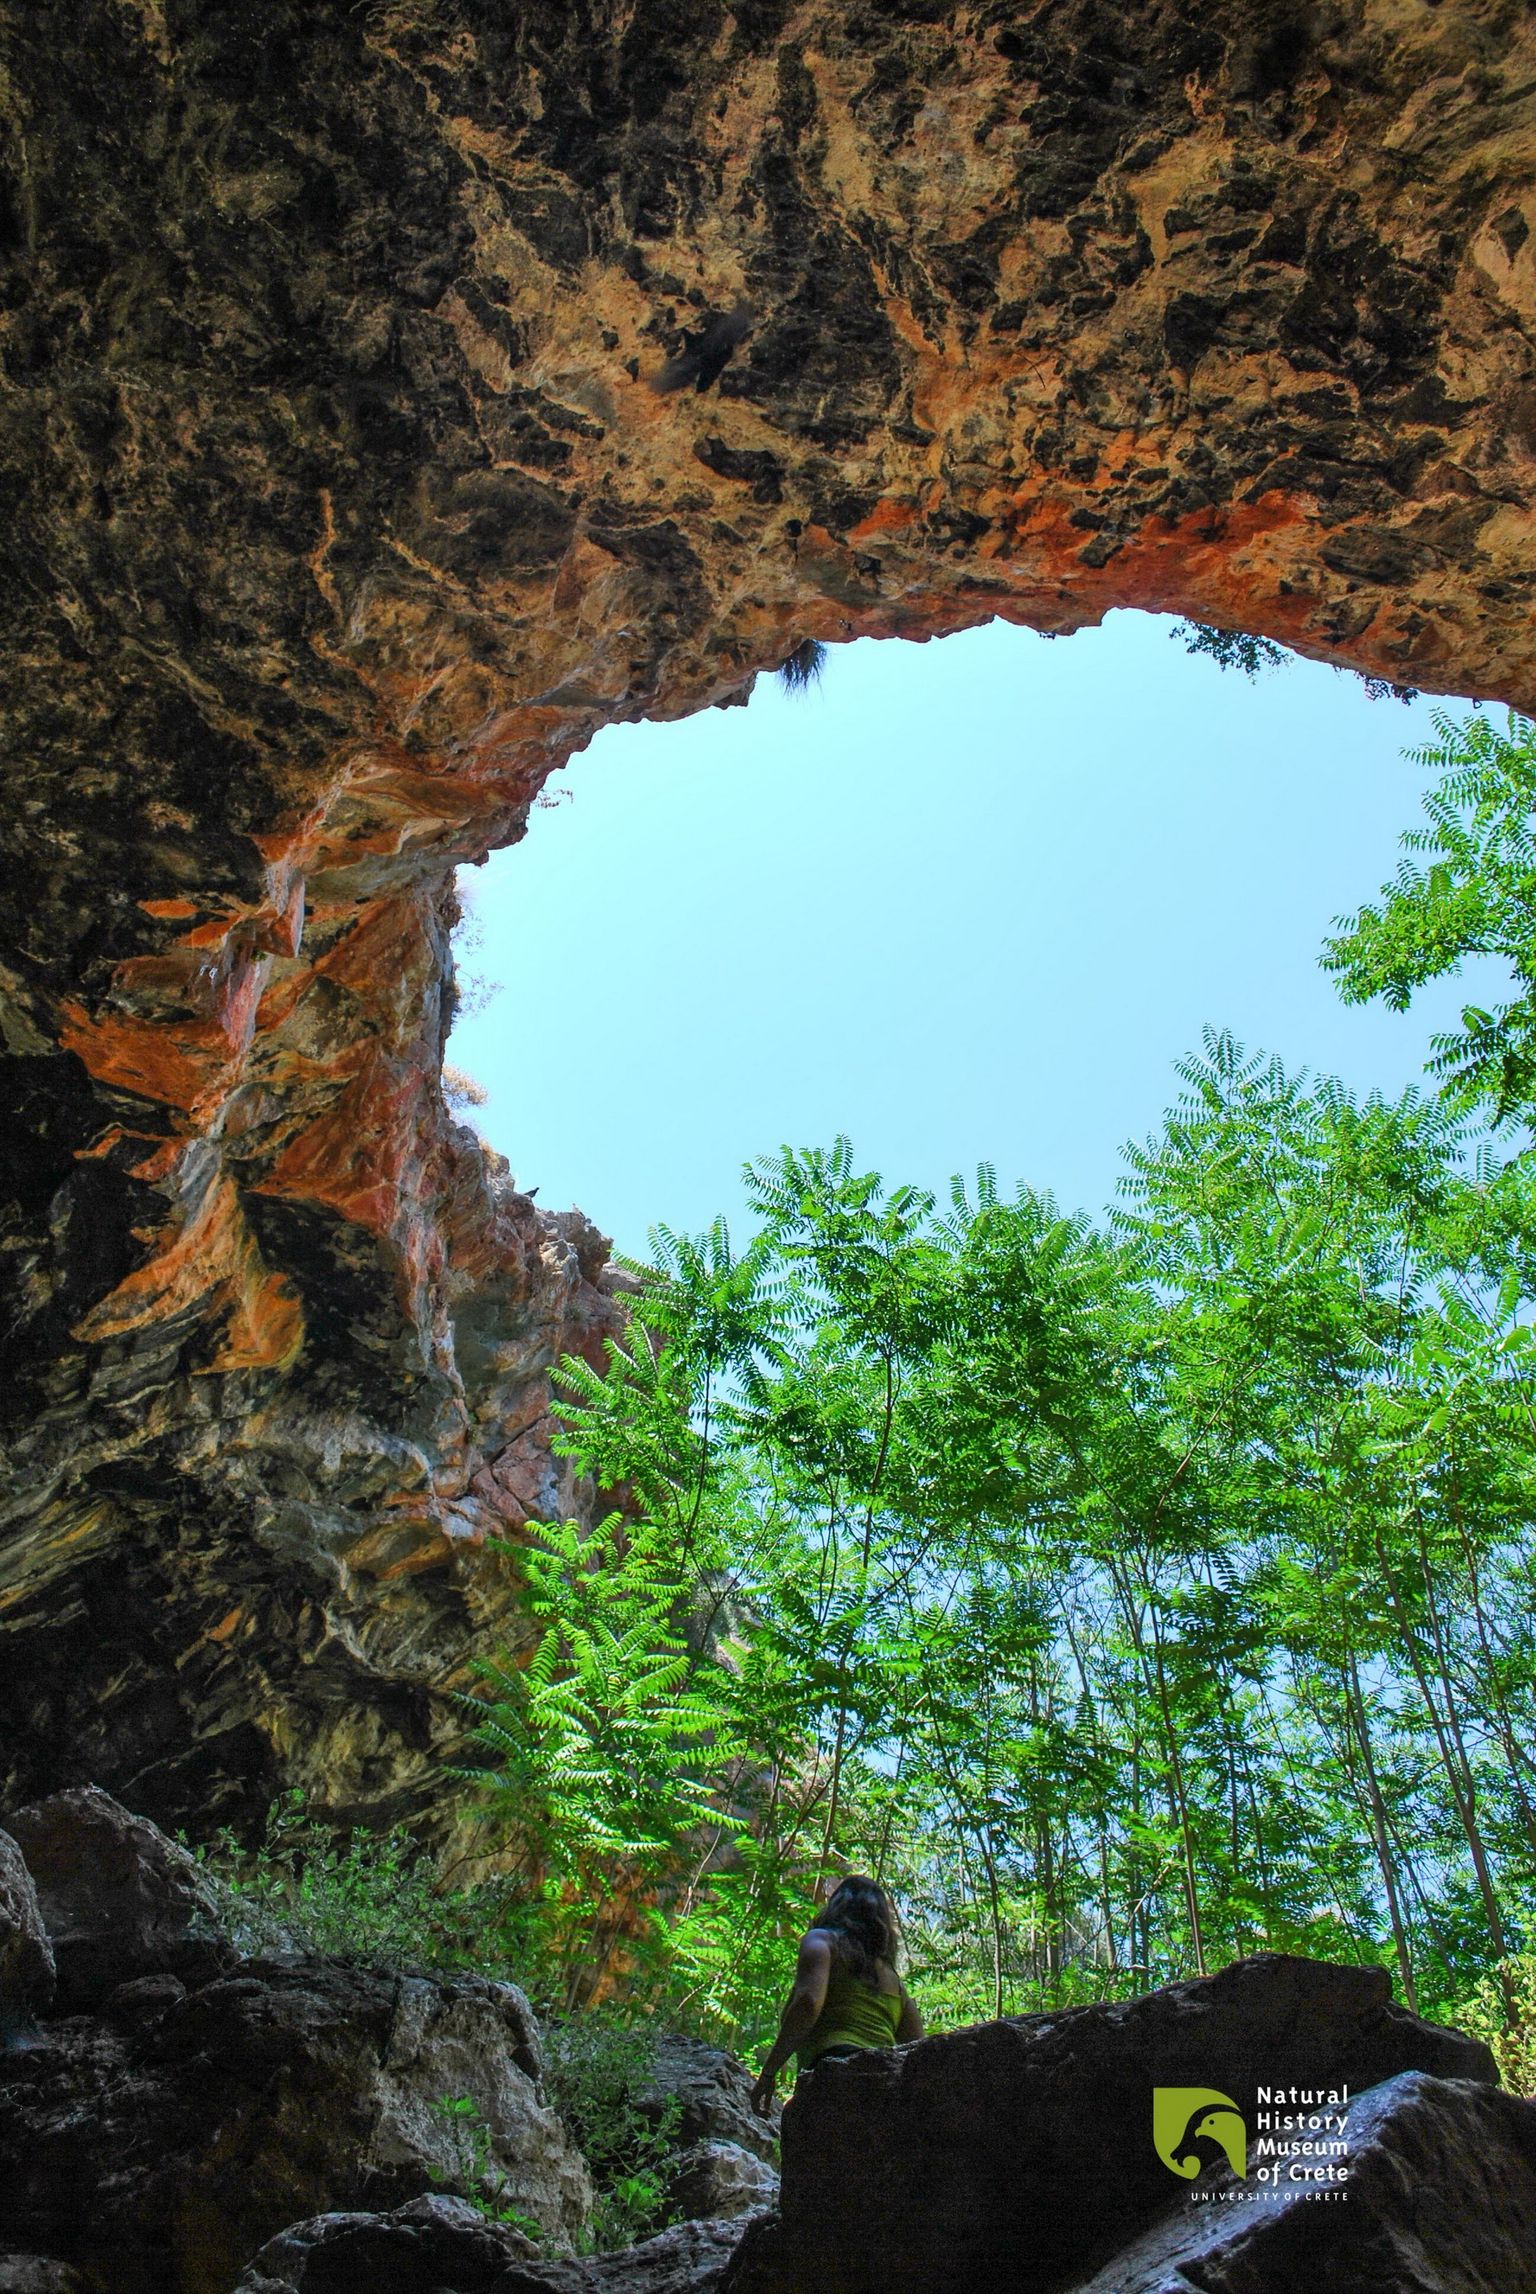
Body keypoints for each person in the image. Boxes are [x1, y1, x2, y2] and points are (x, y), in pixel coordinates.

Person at [749, 1875, 924, 2116]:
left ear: (837, 1906)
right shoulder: (894, 1980)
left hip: (833, 2073)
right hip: (885, 2085)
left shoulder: (821, 1941)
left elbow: (808, 2003)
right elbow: (918, 2046)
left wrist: (768, 2073)